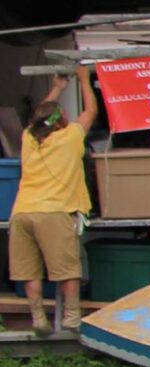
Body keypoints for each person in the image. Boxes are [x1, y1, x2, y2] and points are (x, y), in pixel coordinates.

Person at [11, 67, 95, 337]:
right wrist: (84, 79)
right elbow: (91, 111)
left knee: (30, 269)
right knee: (66, 269)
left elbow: (42, 114)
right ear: (62, 120)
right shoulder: (70, 136)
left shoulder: (28, 138)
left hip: (23, 211)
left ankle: (38, 319)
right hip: (55, 211)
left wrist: (58, 86)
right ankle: (71, 318)